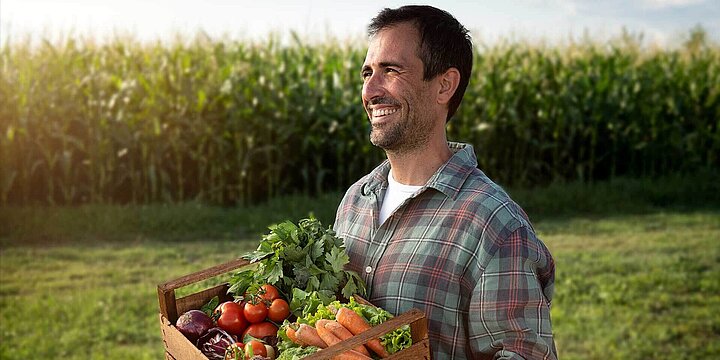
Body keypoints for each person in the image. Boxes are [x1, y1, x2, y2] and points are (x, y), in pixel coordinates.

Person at [333, 5, 557, 359]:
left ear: (444, 85)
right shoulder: (354, 201)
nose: (371, 90)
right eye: (367, 73)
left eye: (391, 70)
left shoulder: (494, 225)